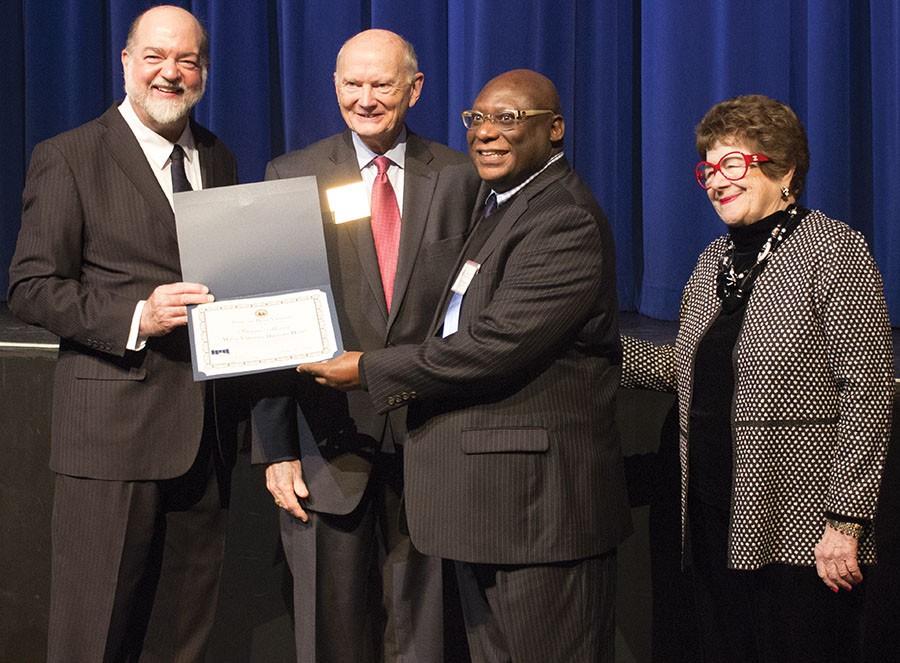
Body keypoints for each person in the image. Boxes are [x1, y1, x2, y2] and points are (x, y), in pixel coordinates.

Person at [297, 69, 632, 663]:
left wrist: (371, 370)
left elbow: (498, 344)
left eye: (509, 119)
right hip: (496, 509)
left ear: (554, 129)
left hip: (539, 514)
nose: (486, 134)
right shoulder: (502, 207)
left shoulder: (562, 218)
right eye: (477, 120)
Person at [621, 94, 893, 662]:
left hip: (799, 525)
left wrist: (846, 521)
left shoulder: (833, 249)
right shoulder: (712, 259)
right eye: (709, 169)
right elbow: (688, 372)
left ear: (783, 168)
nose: (717, 182)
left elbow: (867, 386)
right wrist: (596, 342)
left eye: (733, 165)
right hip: (712, 515)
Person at [7, 6, 240, 661]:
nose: (172, 73)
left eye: (187, 60)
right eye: (156, 57)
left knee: (182, 638)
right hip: (110, 441)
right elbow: (30, 287)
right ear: (126, 62)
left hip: (205, 441)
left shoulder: (218, 156)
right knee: (94, 636)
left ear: (205, 71)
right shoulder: (70, 156)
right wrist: (137, 315)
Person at [250, 29, 479, 663]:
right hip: (325, 444)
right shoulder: (290, 174)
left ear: (416, 89)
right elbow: (269, 316)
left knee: (428, 636)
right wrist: (275, 448)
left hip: (432, 439)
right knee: (330, 636)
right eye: (353, 83)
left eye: (382, 84)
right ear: (334, 86)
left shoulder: (462, 178)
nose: (367, 98)